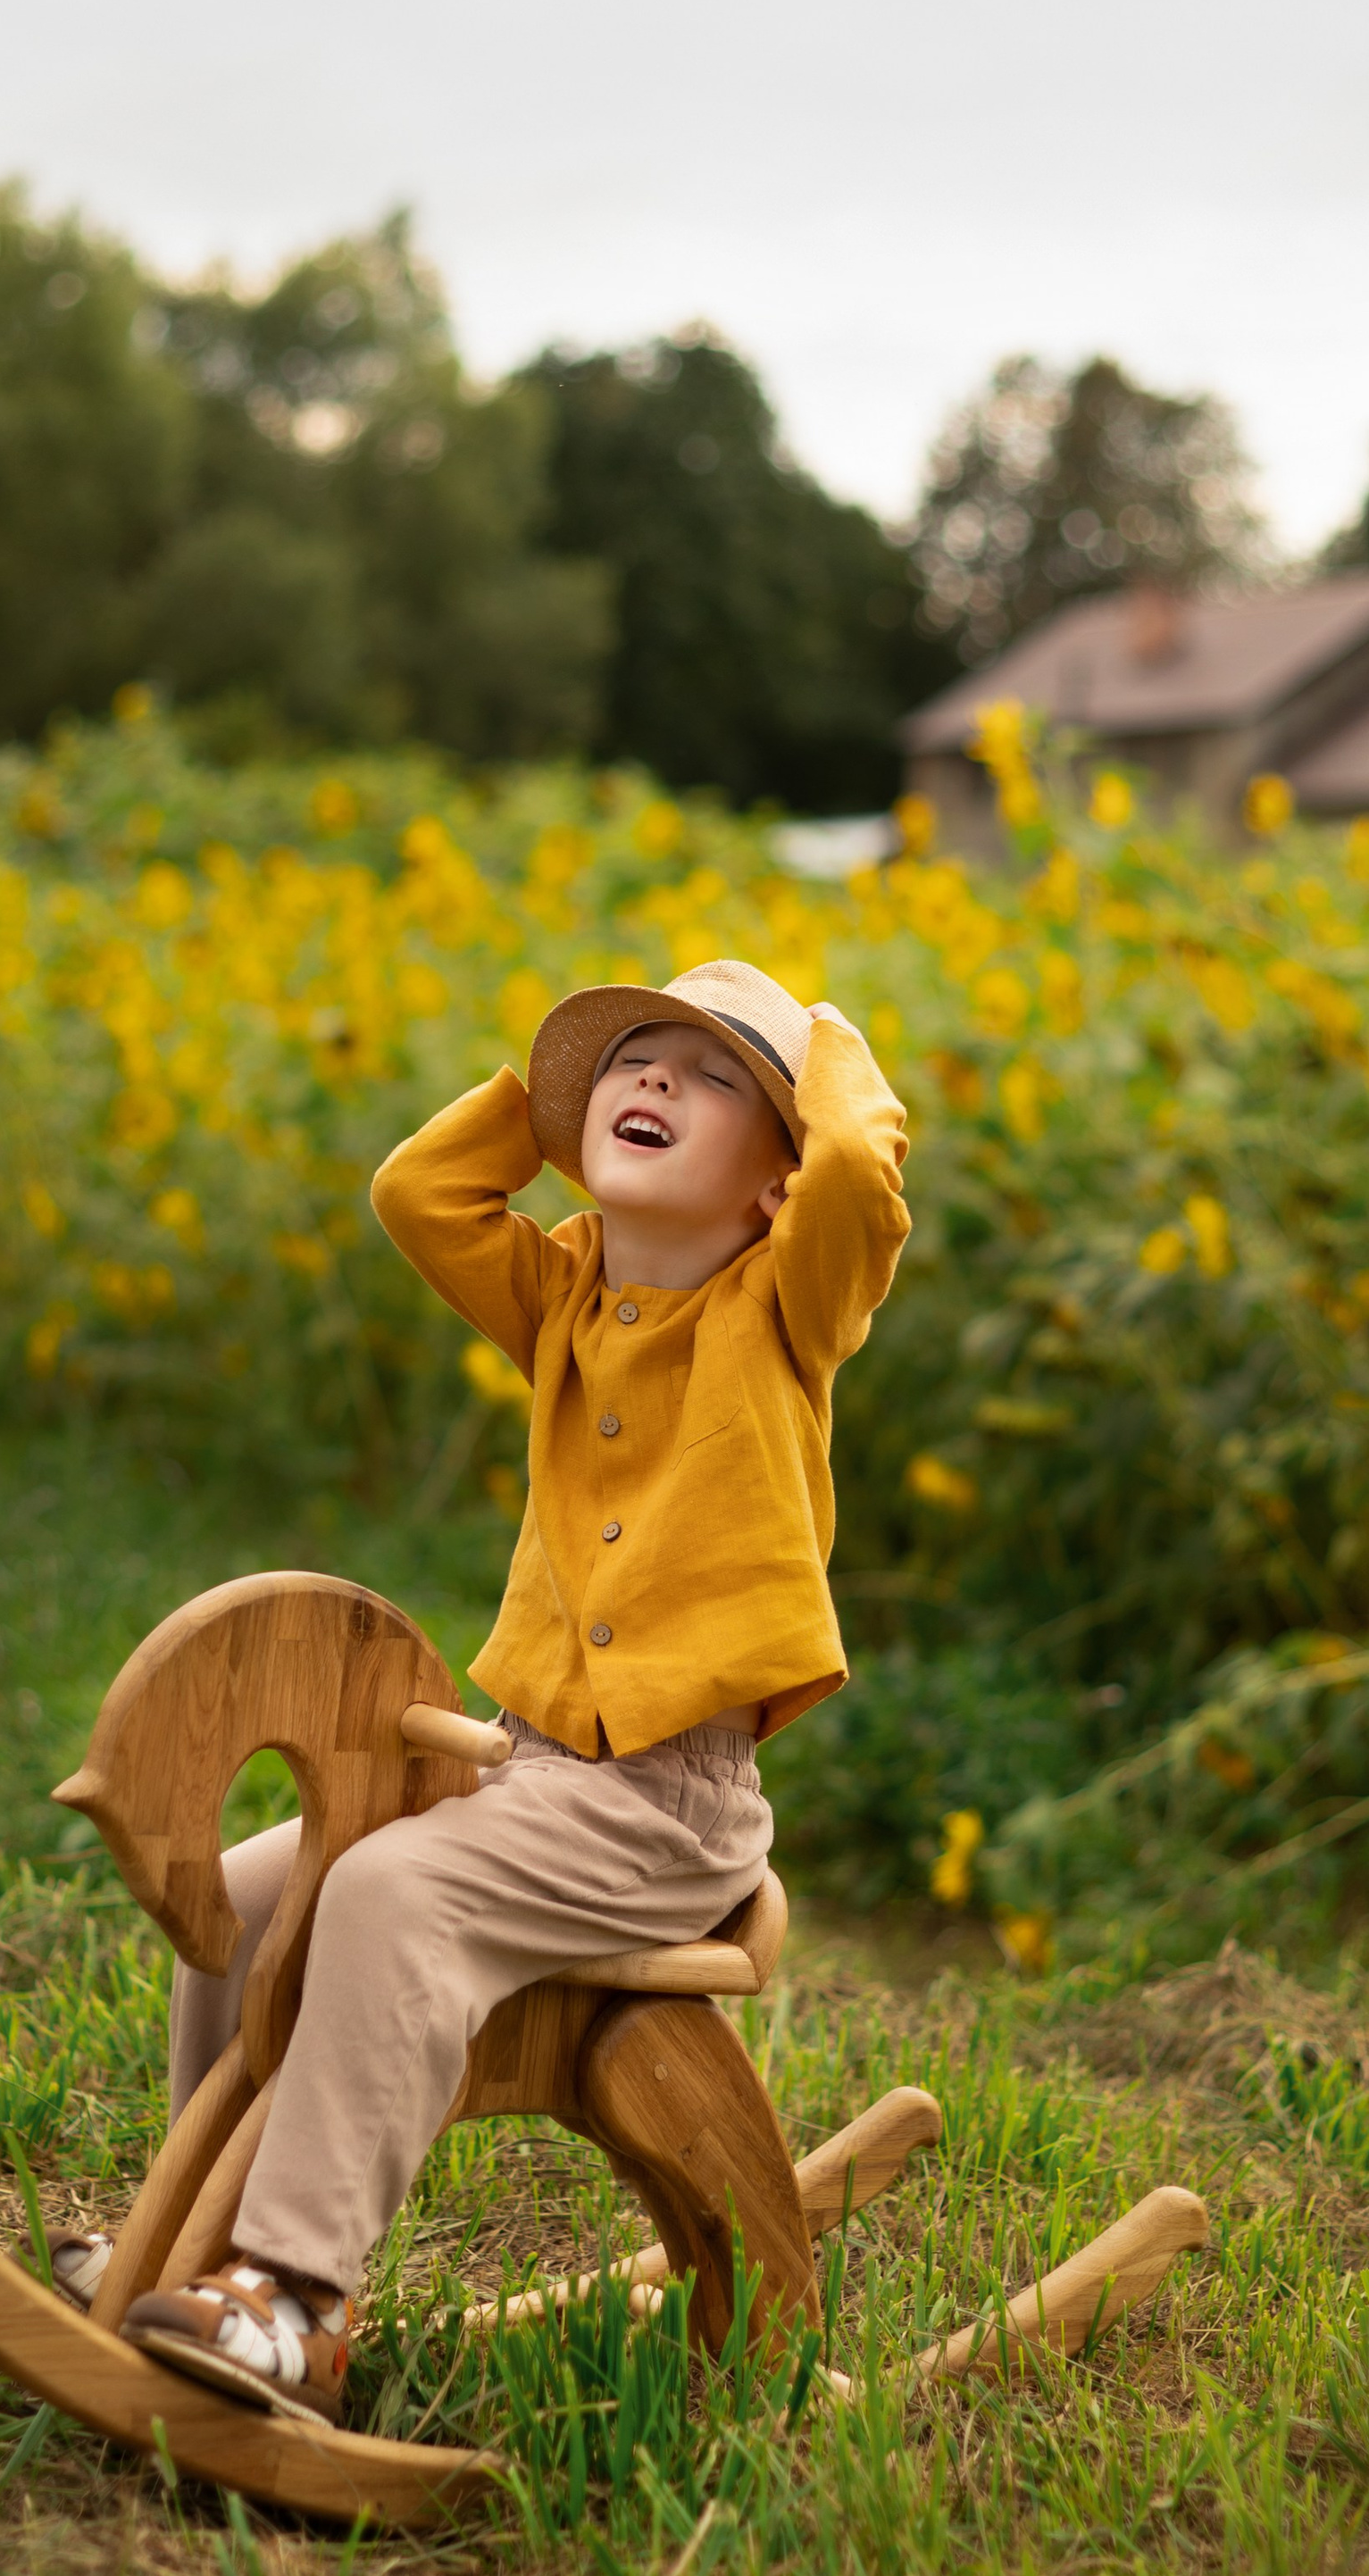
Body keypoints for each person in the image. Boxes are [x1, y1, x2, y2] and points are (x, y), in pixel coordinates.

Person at [65, 957, 908, 2424]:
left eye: (714, 1082)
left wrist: (814, 1045)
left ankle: (300, 2300)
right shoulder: (566, 1292)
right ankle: (190, 2233)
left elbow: (853, 1172)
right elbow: (419, 1194)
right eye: (636, 1064)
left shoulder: (789, 1306)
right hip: (529, 1772)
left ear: (776, 1181)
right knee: (251, 1897)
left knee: (392, 1896)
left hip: (664, 1811)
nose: (657, 1084)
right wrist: (553, 1092)